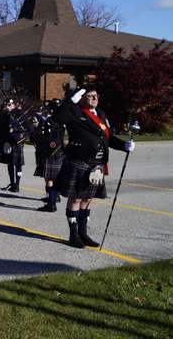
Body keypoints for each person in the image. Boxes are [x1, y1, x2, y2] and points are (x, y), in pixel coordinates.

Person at [53, 87, 134, 248]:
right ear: (82, 98)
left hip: (96, 164)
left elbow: (107, 137)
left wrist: (124, 145)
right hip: (79, 160)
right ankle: (73, 234)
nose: (94, 98)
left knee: (88, 199)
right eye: (89, 96)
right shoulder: (75, 112)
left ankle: (83, 233)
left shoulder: (101, 114)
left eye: (96, 96)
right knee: (75, 198)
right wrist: (70, 101)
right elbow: (57, 117)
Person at [31, 100, 65, 212]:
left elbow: (47, 137)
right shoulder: (63, 119)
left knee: (50, 179)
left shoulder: (50, 120)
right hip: (59, 151)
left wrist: (36, 136)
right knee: (54, 178)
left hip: (50, 152)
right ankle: (54, 198)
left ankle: (51, 204)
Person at [0, 98, 27, 192]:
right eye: (6, 105)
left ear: (14, 105)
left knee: (18, 164)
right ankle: (12, 183)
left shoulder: (19, 113)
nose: (7, 106)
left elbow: (27, 126)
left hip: (17, 142)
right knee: (10, 164)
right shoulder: (4, 114)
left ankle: (17, 185)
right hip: (8, 142)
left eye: (9, 105)